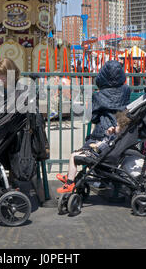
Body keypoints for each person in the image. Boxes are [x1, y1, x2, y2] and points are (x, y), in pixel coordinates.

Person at [56, 60, 131, 193]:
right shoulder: (126, 90)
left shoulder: (98, 95)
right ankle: (96, 177)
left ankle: (72, 179)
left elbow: (94, 117)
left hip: (103, 131)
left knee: (87, 150)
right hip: (120, 129)